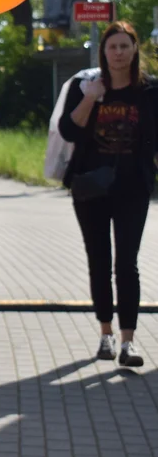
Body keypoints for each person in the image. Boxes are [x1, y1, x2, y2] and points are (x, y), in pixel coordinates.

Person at [58, 22, 158, 368]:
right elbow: (68, 130)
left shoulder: (149, 92)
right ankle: (106, 334)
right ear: (104, 51)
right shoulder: (84, 86)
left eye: (124, 46)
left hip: (133, 188)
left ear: (134, 50)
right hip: (90, 187)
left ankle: (128, 341)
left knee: (126, 264)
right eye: (112, 47)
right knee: (98, 261)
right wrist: (90, 97)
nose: (118, 53)